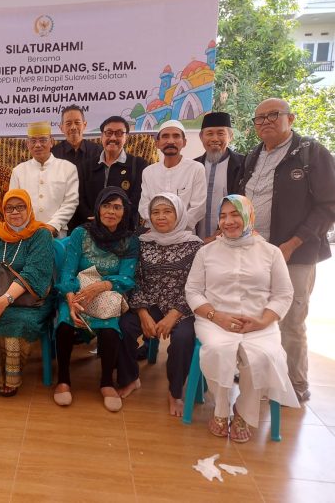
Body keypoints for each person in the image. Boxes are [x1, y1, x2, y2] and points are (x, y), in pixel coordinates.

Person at [239, 98, 335, 402]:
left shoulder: (311, 153)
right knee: (257, 314)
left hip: (295, 253)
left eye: (273, 115)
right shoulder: (253, 156)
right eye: (259, 118)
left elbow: (328, 205)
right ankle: (261, 376)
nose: (265, 122)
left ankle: (295, 382)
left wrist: (294, 243)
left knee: (291, 318)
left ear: (290, 118)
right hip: (255, 252)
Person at [185, 195, 300, 442]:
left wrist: (263, 321)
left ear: (250, 216)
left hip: (259, 321)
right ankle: (221, 408)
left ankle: (243, 412)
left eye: (235, 214)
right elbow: (192, 291)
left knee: (262, 355)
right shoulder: (206, 252)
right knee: (218, 349)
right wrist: (218, 317)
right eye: (223, 216)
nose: (229, 221)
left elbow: (283, 294)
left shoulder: (271, 252)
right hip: (214, 320)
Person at [117, 192, 203, 416]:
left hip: (183, 307)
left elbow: (200, 285)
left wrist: (174, 314)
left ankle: (175, 392)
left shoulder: (195, 247)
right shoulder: (143, 243)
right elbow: (135, 280)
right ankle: (130, 378)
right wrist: (143, 312)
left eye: (167, 211)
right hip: (150, 303)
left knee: (184, 338)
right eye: (155, 212)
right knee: (124, 326)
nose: (161, 217)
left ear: (179, 214)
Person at [53, 187, 139, 411]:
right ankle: (63, 380)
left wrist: (102, 286)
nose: (111, 211)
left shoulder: (130, 241)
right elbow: (68, 271)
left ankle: (106, 382)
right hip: (76, 291)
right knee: (64, 324)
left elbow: (127, 277)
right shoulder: (82, 233)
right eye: (106, 205)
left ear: (124, 211)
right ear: (98, 207)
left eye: (117, 207)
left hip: (107, 295)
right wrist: (70, 298)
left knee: (110, 329)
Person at [0, 189, 54, 396]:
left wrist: (4, 300)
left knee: (19, 320)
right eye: (9, 208)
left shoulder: (41, 234)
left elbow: (34, 272)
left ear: (29, 208)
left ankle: (11, 377)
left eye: (20, 207)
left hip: (29, 300)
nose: (14, 212)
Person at [70, 116, 148, 231]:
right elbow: (79, 197)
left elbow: (137, 199)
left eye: (119, 133)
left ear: (126, 137)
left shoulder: (138, 165)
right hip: (91, 228)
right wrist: (96, 218)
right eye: (109, 133)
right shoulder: (86, 166)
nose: (113, 137)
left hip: (124, 231)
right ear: (102, 136)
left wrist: (115, 218)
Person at [9, 121, 79, 238]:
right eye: (33, 141)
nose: (37, 145)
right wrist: (28, 228)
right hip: (26, 235)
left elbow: (71, 202)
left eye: (42, 140)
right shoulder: (18, 171)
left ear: (51, 142)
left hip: (57, 234)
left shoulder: (68, 168)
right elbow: (13, 204)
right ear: (27, 144)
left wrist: (53, 226)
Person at [138, 120, 206, 230]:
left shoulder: (196, 168)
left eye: (176, 136)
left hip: (184, 235)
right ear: (157, 143)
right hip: (154, 233)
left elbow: (198, 207)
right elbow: (144, 206)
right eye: (165, 136)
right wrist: (160, 226)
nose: (170, 141)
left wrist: (174, 228)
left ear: (184, 142)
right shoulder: (148, 172)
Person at [195, 112, 244, 242]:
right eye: (209, 133)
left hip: (231, 238)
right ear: (201, 137)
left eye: (221, 133)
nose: (215, 139)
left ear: (230, 136)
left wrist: (219, 233)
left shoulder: (243, 165)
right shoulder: (192, 166)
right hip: (195, 241)